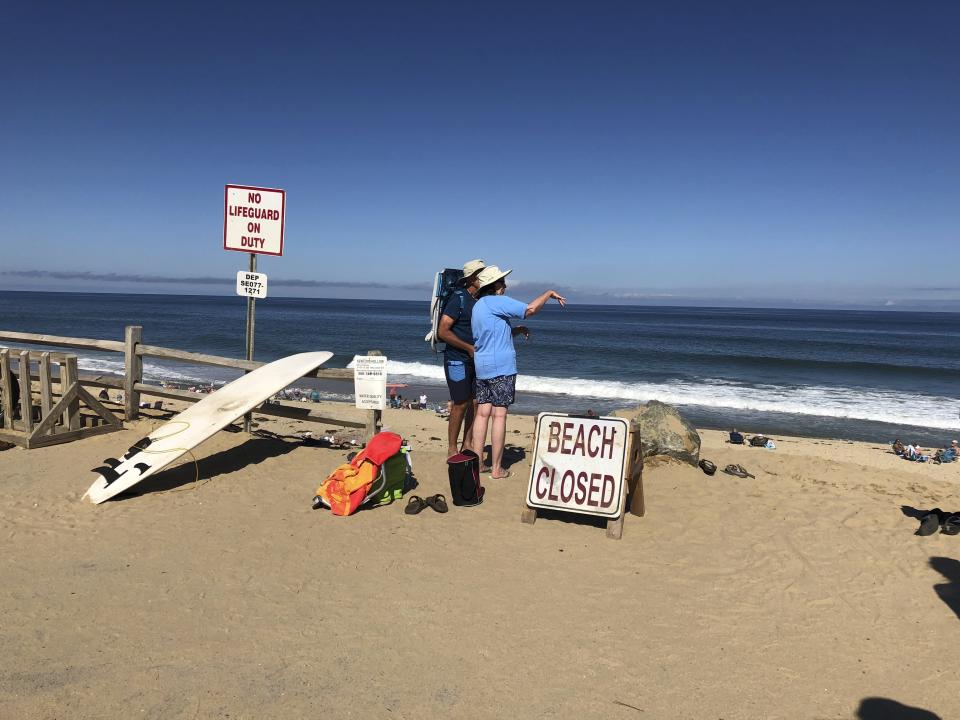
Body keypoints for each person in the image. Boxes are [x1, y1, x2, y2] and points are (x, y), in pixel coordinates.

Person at [469, 265, 566, 479]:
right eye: (502, 282)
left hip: (482, 366)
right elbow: (529, 310)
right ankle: (496, 468)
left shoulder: (478, 306)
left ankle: (478, 465)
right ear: (494, 286)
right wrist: (548, 293)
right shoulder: (497, 301)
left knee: (482, 414)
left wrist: (514, 331)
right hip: (501, 367)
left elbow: (489, 336)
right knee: (500, 414)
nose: (505, 285)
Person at [437, 258, 486, 457]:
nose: (484, 278)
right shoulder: (458, 298)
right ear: (472, 278)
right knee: (460, 402)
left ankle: (467, 444)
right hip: (456, 359)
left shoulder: (480, 299)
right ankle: (451, 448)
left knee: (474, 402)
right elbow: (443, 331)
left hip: (475, 359)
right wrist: (468, 347)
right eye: (481, 274)